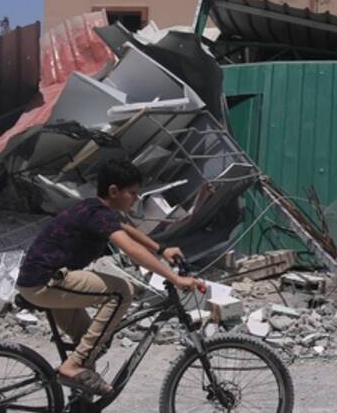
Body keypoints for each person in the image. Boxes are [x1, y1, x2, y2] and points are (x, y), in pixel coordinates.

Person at [16, 158, 200, 395]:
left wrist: (162, 249)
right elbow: (131, 249)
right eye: (132, 193)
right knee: (121, 291)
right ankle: (72, 366)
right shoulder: (98, 214)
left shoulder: (96, 210)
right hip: (45, 281)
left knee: (90, 341)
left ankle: (81, 400)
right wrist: (175, 279)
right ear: (114, 191)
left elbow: (125, 229)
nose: (136, 198)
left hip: (44, 281)